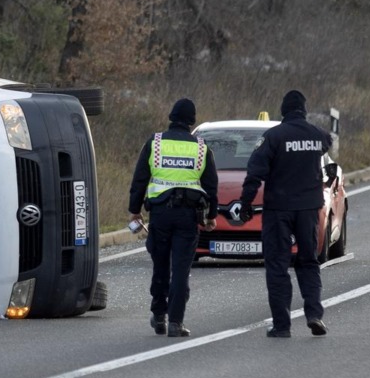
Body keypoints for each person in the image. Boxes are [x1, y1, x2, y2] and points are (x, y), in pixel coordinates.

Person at [238, 90, 331, 338]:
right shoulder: (317, 135)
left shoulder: (273, 137)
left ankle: (282, 325)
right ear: (304, 110)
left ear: (283, 110)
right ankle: (314, 314)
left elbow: (255, 172)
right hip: (309, 209)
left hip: (279, 210)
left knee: (278, 265)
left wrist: (246, 204)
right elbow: (328, 142)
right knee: (309, 261)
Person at [128, 98, 218, 337]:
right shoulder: (200, 147)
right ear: (192, 121)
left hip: (160, 215)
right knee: (180, 269)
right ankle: (176, 323)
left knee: (160, 266)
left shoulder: (155, 143)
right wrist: (211, 217)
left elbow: (140, 179)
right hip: (188, 216)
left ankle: (159, 316)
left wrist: (134, 209)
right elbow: (211, 186)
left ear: (171, 116)